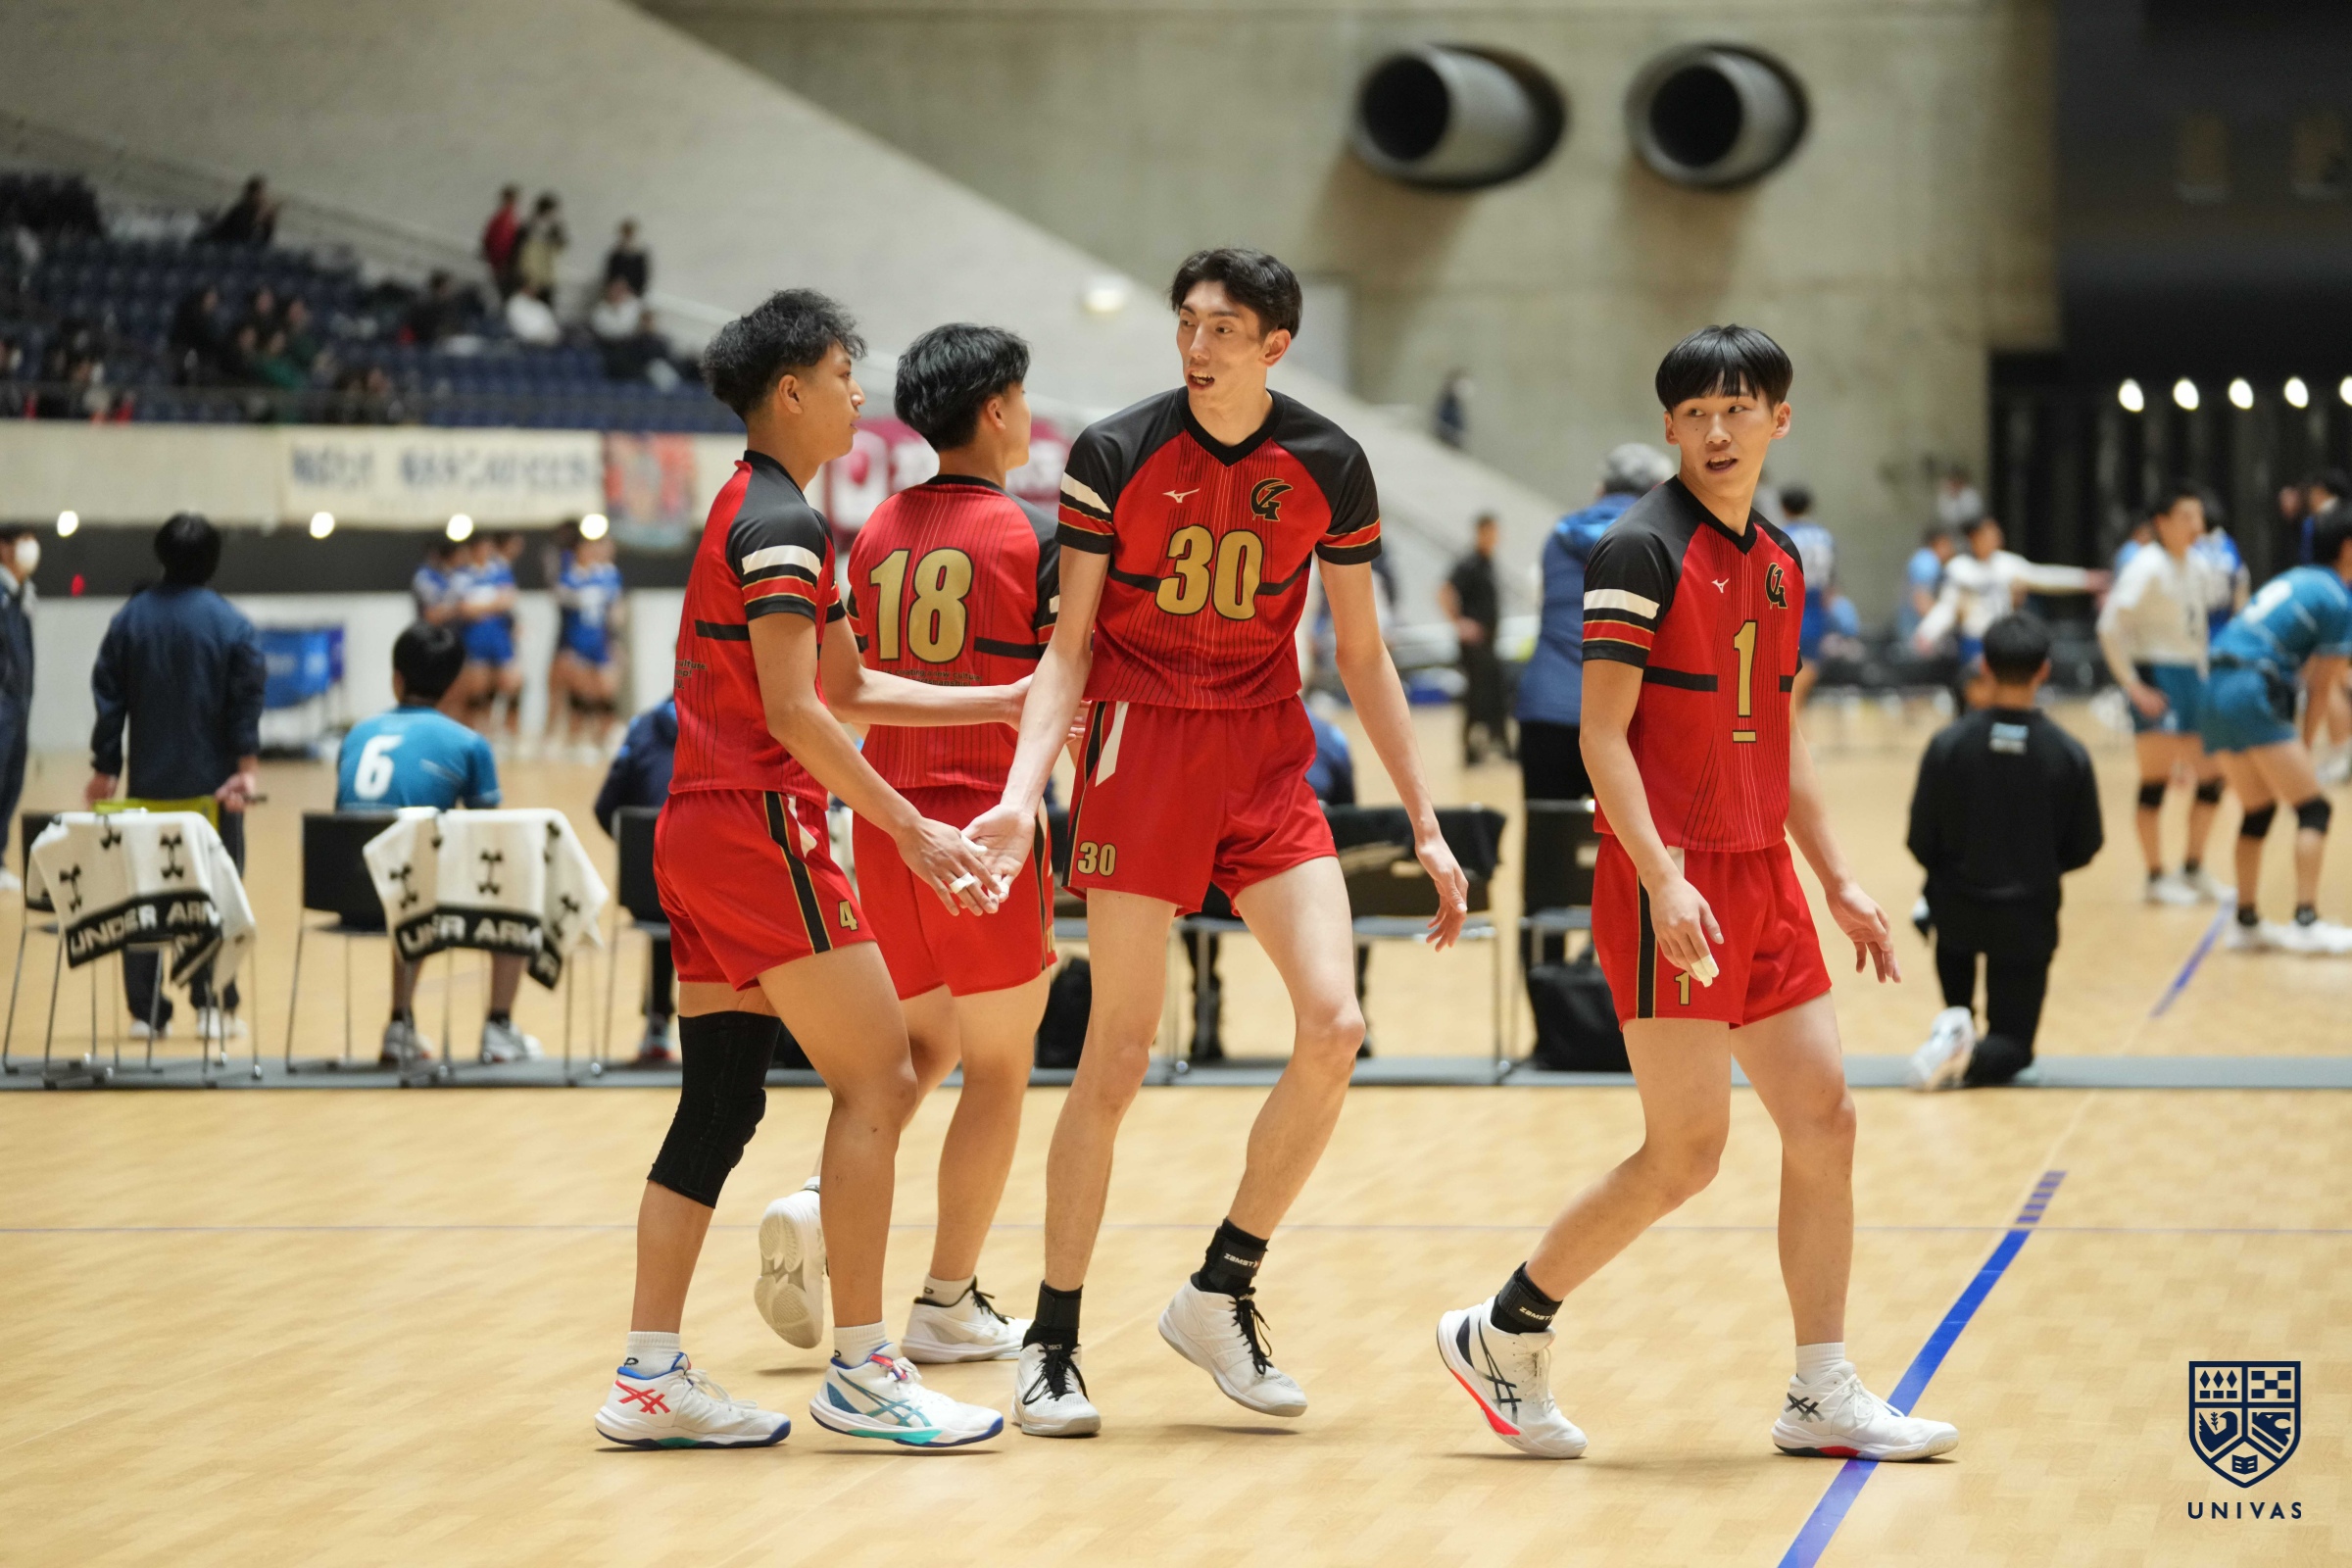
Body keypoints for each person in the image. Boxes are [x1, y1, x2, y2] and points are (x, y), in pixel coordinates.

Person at [963, 247, 1468, 1439]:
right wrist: (1025, 791)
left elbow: (1362, 655)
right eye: (1187, 323)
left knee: (1335, 1027)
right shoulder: (1116, 452)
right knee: (1119, 1056)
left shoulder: (1330, 462)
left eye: (1224, 329)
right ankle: (1052, 1341)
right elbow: (1068, 648)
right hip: (1142, 750)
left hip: (1265, 754)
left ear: (1275, 345)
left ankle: (1218, 1290)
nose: (1197, 346)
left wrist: (1425, 819)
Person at [1435, 324, 1955, 1466]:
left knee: (1826, 1117)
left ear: (1780, 418)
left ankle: (1821, 1389)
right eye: (1697, 413)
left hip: (1762, 873)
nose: (1718, 431)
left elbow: (1780, 731)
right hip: (1668, 878)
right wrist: (1663, 877)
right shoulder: (1639, 550)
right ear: (1669, 427)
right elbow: (1600, 736)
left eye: (1740, 408)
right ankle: (1502, 1330)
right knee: (1686, 1152)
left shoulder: (1780, 560)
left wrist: (1838, 877)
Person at [592, 287, 1018, 1452]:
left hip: (697, 832)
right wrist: (913, 828)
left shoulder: (757, 505)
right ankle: (867, 1370)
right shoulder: (782, 523)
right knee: (882, 1079)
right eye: (841, 375)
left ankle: (647, 1374)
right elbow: (795, 715)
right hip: (755, 831)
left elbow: (850, 688)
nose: (857, 395)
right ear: (790, 391)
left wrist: (1003, 697)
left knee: (721, 1101)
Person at [756, 320, 1058, 1368]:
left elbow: (846, 685)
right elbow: (1060, 696)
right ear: (997, 410)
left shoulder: (875, 526)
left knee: (926, 1048)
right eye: (1022, 397)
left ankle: (818, 1197)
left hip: (888, 824)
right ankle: (947, 1300)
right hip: (983, 833)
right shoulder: (1032, 536)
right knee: (1001, 1070)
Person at [87, 514, 266, 1040]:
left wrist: (105, 766)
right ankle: (212, 1003)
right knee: (214, 891)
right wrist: (246, 769)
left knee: (143, 895)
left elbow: (109, 697)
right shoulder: (231, 623)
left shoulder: (129, 620)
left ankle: (146, 1013)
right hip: (214, 791)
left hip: (147, 787)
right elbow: (245, 702)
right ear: (213, 560)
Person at [1906, 615, 2104, 1090]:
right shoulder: (2067, 753)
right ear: (2044, 671)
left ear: (1985, 667)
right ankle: (1970, 1056)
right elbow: (2086, 845)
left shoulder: (1948, 745)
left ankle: (1953, 1034)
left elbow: (1920, 838)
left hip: (1954, 914)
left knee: (1959, 1004)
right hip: (2027, 917)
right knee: (2014, 1048)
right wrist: (2039, 867)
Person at [334, 623, 534, 1065]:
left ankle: (400, 1024)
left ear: (396, 678)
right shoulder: (468, 743)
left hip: (344, 893)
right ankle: (499, 1027)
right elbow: (489, 836)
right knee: (515, 883)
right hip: (412, 899)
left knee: (409, 866)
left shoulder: (356, 735)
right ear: (457, 684)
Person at [2201, 509, 2352, 953]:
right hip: (2252, 687)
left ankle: (2246, 922)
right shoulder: (2338, 599)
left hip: (2217, 685)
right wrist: (2303, 745)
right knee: (2314, 809)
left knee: (2258, 808)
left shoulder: (2296, 579)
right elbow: (2322, 686)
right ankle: (2306, 921)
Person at [1517, 444, 1676, 808]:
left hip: (1547, 704)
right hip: (1626, 715)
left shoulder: (1558, 537)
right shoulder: (1662, 539)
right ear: (1658, 490)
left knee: (1550, 833)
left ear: (1601, 489)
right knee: (1630, 839)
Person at [2096, 483, 2230, 905]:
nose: (2197, 524)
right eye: (2186, 516)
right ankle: (2155, 876)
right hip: (2158, 674)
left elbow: (2199, 627)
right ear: (2162, 522)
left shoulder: (2198, 564)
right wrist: (2133, 685)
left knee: (2213, 777)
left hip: (2193, 675)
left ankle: (2193, 867)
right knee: (2155, 781)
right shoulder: (2146, 565)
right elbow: (2109, 626)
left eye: (2199, 516)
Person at [595, 695, 678, 1065]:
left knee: (666, 891)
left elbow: (604, 808)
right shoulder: (730, 724)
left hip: (646, 891)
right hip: (712, 888)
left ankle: (657, 1024)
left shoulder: (642, 726)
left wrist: (639, 848)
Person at [1912, 514, 2106, 674]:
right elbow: (1947, 607)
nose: (1996, 537)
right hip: (1974, 642)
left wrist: (2084, 579)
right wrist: (1927, 632)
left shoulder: (2007, 564)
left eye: (1996, 532)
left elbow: (2044, 577)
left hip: (2005, 639)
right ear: (1974, 537)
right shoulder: (1959, 569)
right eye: (1989, 533)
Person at [547, 527, 625, 757]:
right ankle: (574, 738)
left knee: (605, 691)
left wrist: (615, 638)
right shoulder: (569, 578)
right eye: (587, 548)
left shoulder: (607, 575)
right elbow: (566, 600)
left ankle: (603, 736)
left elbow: (616, 610)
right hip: (576, 642)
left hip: (601, 643)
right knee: (579, 692)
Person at [1442, 513, 1508, 764]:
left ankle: (1493, 744)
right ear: (1480, 533)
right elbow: (1444, 591)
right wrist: (1460, 623)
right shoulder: (1469, 563)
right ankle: (1471, 749)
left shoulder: (1488, 562)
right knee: (1477, 697)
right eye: (1489, 532)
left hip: (1488, 643)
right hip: (1474, 646)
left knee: (1493, 694)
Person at [454, 534, 522, 742]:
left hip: (500, 639)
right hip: (475, 639)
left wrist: (481, 605)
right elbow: (465, 609)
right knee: (477, 691)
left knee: (512, 684)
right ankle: (477, 732)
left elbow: (508, 600)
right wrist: (494, 603)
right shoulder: (463, 574)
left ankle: (508, 732)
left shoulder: (500, 571)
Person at [0, 527, 35, 893]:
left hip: (19, 703)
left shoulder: (21, 593)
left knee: (11, 782)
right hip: (3, 703)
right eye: (22, 541)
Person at [1779, 484, 1836, 708]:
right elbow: (1831, 579)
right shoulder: (1824, 537)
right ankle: (1796, 710)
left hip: (1790, 602)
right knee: (1811, 662)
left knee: (1787, 663)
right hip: (1815, 604)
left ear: (1784, 508)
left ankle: (1791, 712)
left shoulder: (1783, 535)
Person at [1895, 525, 1955, 648]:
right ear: (1940, 542)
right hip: (1916, 634)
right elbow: (1921, 601)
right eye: (1949, 545)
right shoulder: (1927, 562)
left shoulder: (1924, 559)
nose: (1951, 550)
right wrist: (1944, 619)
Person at [514, 193, 566, 302]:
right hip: (530, 271)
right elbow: (520, 250)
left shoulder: (555, 228)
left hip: (546, 270)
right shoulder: (529, 226)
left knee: (545, 298)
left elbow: (561, 245)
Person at [205, 175, 277, 248]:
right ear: (251, 194)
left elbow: (264, 242)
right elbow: (240, 238)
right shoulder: (240, 211)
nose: (263, 198)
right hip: (218, 244)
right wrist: (257, 220)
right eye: (259, 194)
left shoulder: (253, 213)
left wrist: (269, 224)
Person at [480, 185, 522, 297]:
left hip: (498, 261)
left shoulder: (503, 216)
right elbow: (500, 242)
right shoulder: (506, 218)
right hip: (501, 262)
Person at [604, 220, 651, 298]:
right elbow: (611, 273)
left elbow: (642, 276)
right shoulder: (616, 253)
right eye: (625, 232)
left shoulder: (639, 253)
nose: (627, 235)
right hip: (617, 293)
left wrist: (635, 291)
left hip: (634, 292)